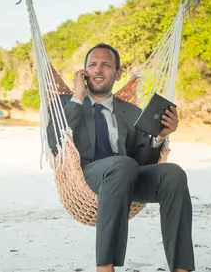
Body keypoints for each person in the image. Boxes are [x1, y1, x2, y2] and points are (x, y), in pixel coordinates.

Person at [46, 43, 194, 272]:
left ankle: (181, 268)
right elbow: (54, 139)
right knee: (122, 164)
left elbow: (141, 162)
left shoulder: (132, 112)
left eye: (106, 65)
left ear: (118, 74)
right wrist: (77, 97)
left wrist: (159, 137)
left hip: (126, 177)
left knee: (173, 173)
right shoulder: (66, 103)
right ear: (84, 72)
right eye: (92, 65)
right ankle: (105, 267)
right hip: (86, 177)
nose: (98, 70)